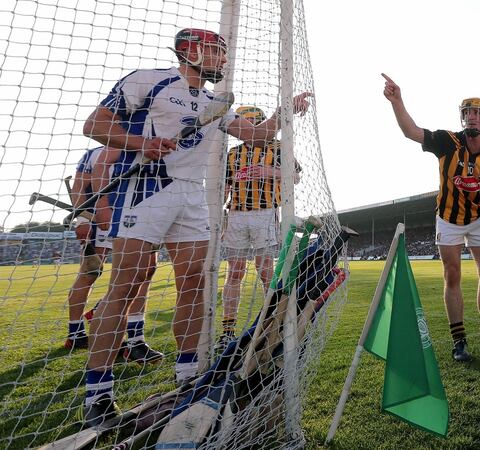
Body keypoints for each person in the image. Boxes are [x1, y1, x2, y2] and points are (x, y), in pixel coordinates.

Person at [80, 27, 312, 427]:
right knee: (128, 284)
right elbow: (94, 125)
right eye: (217, 52)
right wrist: (142, 144)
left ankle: (187, 377)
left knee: (194, 282)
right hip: (146, 188)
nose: (223, 60)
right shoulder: (149, 81)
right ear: (190, 51)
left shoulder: (213, 102)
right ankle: (97, 394)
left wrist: (284, 110)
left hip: (192, 196)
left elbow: (259, 134)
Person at [382, 73, 480, 362]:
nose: (472, 117)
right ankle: (459, 341)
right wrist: (397, 101)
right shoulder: (447, 141)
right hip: (448, 217)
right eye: (467, 112)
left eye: (478, 113)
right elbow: (411, 131)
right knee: (452, 274)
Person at [64, 146, 164, 368]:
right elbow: (80, 186)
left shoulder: (146, 145)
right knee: (90, 272)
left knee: (145, 273)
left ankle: (135, 339)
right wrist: (82, 219)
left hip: (139, 217)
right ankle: (76, 332)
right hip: (101, 217)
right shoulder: (92, 154)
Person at [216, 106, 297, 351]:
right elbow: (225, 190)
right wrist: (219, 216)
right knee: (235, 273)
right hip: (237, 214)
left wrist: (267, 171)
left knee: (265, 270)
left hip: (265, 212)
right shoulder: (232, 153)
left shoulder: (278, 148)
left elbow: (296, 176)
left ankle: (270, 323)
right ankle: (227, 330)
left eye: (255, 123)